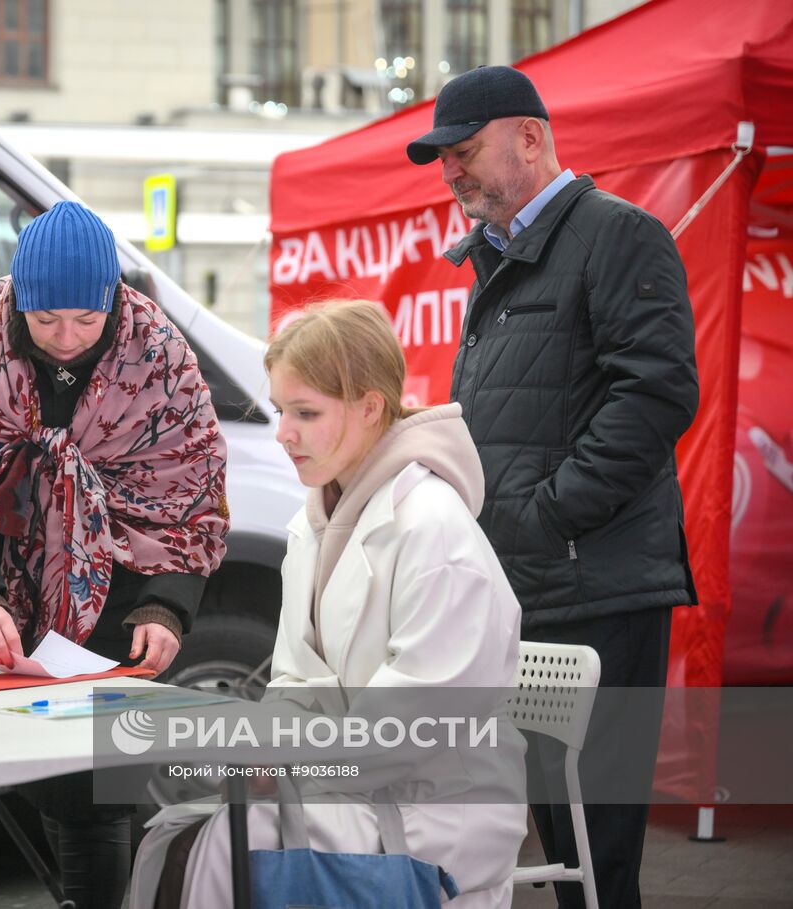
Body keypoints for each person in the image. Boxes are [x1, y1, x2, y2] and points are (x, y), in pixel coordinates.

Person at [407, 65, 700, 908]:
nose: (451, 171)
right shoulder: (497, 261)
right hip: (531, 585)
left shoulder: (617, 235)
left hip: (599, 586)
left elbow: (656, 394)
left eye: (464, 150)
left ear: (529, 138)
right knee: (559, 837)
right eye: (444, 159)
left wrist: (544, 516)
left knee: (598, 852)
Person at [129, 300, 527, 909]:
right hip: (361, 782)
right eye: (283, 410)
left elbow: (413, 730)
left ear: (370, 407)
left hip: (443, 806)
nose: (283, 431)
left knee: (223, 844)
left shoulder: (434, 533)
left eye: (305, 413)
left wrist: (284, 767)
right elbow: (298, 681)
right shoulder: (317, 522)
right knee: (174, 830)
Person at [0, 200, 230, 909]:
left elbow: (190, 488)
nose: (65, 338)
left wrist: (164, 607)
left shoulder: (160, 357)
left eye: (85, 320)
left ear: (112, 302)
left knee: (94, 783)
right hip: (0, 572)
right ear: (18, 300)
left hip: (116, 578)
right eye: (46, 319)